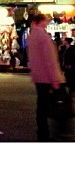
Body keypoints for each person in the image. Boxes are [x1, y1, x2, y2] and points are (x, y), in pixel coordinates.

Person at [27, 13, 66, 141]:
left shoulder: (31, 37)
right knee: (56, 103)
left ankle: (42, 131)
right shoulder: (44, 37)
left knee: (42, 105)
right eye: (46, 21)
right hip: (47, 76)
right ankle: (53, 132)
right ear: (42, 21)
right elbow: (50, 60)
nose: (47, 23)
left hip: (38, 76)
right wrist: (55, 78)